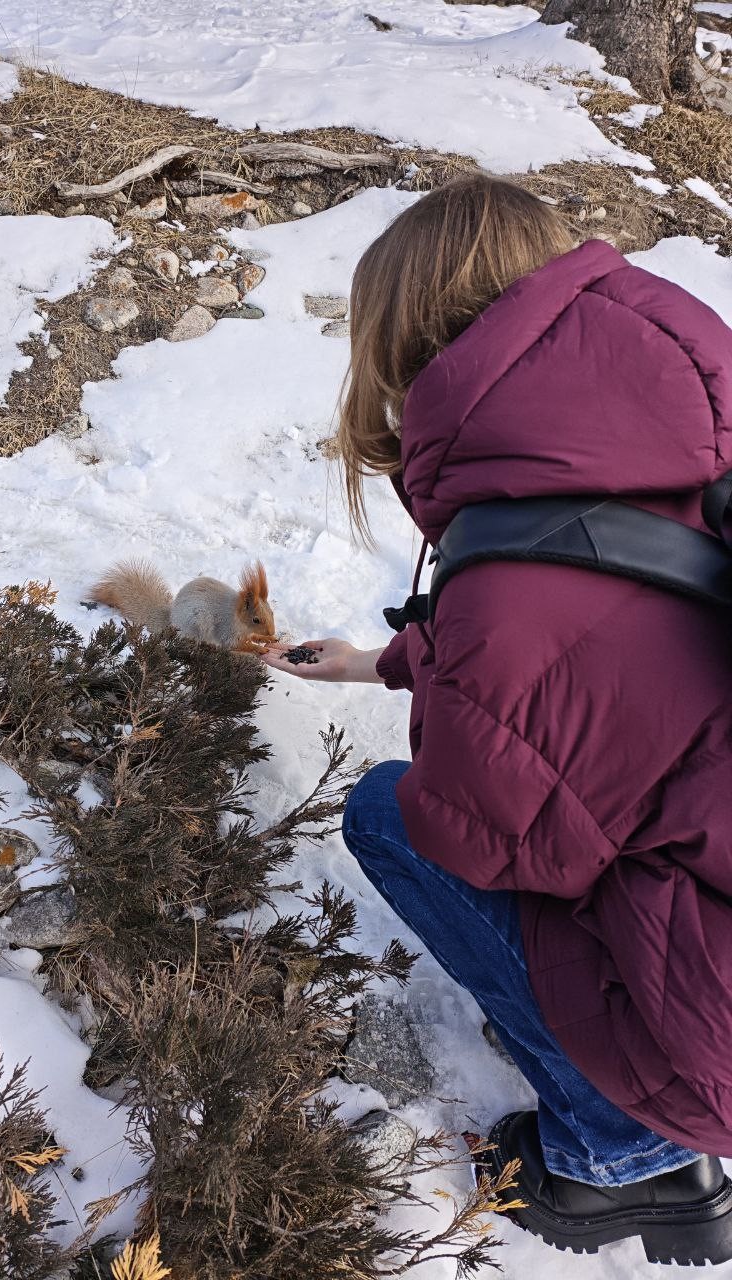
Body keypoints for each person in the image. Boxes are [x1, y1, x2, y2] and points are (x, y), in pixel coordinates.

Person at [263, 173, 732, 1265]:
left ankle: (626, 1156)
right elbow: (622, 627)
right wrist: (394, 660)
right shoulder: (684, 420)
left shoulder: (508, 594)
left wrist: (459, 692)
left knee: (390, 815)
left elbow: (484, 828)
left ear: (411, 339)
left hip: (716, 1035)